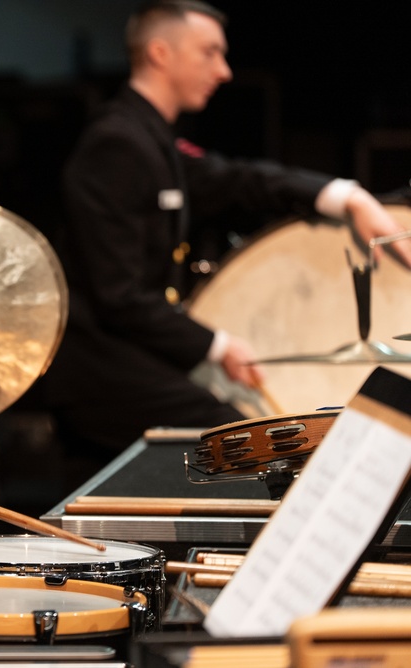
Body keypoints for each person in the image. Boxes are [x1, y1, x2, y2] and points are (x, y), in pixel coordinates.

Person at [38, 0, 411, 460]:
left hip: (131, 354)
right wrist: (218, 346)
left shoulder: (149, 139)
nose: (224, 70)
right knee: (240, 439)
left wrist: (346, 195)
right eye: (209, 52)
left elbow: (237, 181)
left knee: (250, 432)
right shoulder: (115, 143)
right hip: (100, 370)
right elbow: (119, 296)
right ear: (160, 53)